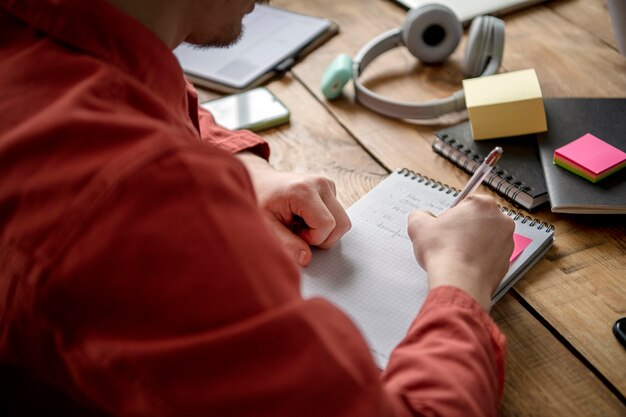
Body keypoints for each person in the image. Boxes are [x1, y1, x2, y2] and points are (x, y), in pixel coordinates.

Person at [0, 0, 515, 416]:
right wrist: (462, 278)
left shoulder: (51, 30)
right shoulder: (142, 199)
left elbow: (143, 95)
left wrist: (249, 171)